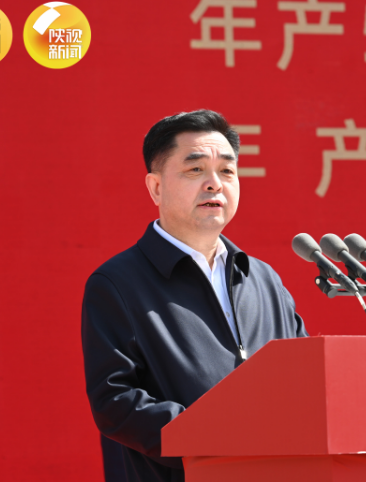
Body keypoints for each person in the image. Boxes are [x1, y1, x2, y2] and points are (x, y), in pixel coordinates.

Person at [81, 110, 308, 482]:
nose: (215, 184)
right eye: (195, 169)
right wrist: (214, 439)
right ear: (156, 187)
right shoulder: (118, 282)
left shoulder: (263, 279)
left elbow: (303, 378)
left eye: (227, 171)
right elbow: (115, 401)